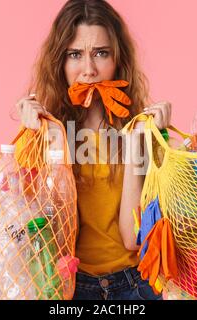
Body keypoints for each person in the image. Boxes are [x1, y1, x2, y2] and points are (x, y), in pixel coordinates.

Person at [16, 0, 172, 300]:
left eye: (101, 53)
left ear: (118, 59)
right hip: (70, 289)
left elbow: (132, 238)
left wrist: (139, 142)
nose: (89, 70)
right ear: (59, 63)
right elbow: (48, 239)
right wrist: (38, 137)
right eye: (75, 55)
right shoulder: (46, 132)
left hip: (136, 286)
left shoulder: (139, 128)